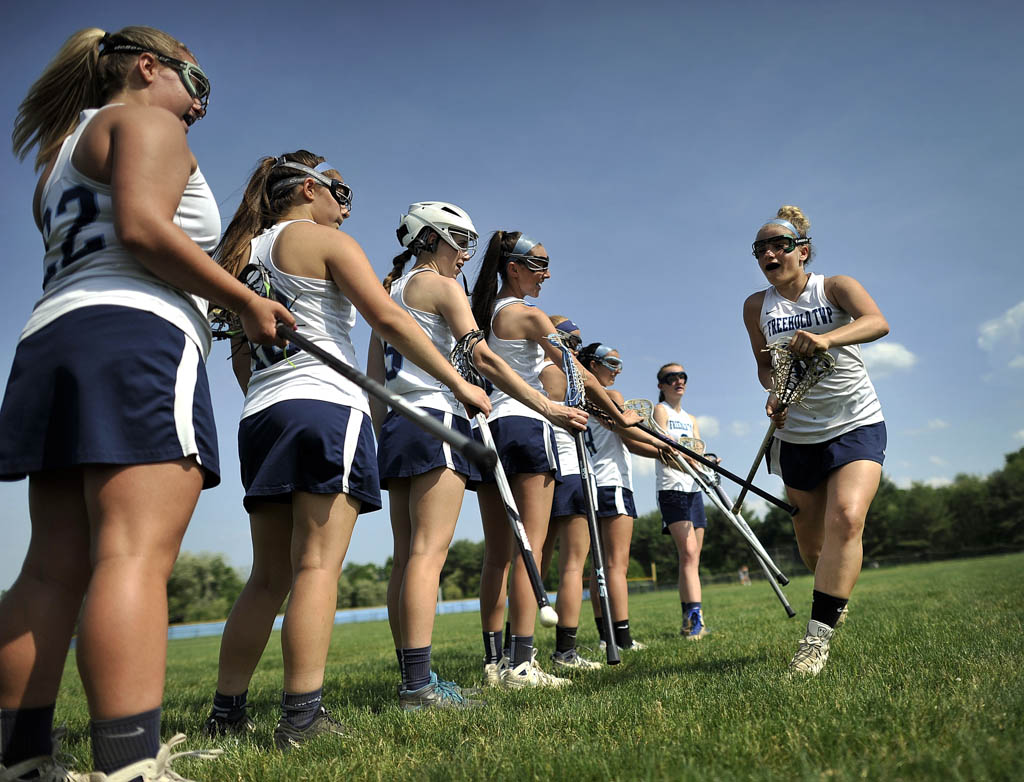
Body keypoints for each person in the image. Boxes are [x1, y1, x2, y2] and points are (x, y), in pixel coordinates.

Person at [0, 26, 293, 781]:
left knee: (48, 567)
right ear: (148, 66)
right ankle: (130, 767)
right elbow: (141, 231)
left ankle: (22, 759)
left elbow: (116, 237)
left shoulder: (55, 156)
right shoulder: (146, 120)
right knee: (130, 555)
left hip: (51, 338)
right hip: (136, 338)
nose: (199, 107)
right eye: (196, 86)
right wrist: (244, 304)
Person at [203, 162, 490, 747]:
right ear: (308, 190)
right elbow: (387, 317)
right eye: (341, 194)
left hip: (261, 414)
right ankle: (302, 718)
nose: (347, 208)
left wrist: (277, 401)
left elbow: (239, 360)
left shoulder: (243, 256)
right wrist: (458, 383)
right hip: (326, 407)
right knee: (316, 566)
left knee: (266, 577)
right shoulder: (325, 240)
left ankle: (227, 714)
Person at [367, 203, 585, 708]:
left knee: (405, 557)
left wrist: (386, 432)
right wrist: (545, 405)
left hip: (400, 426)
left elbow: (378, 381)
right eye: (458, 240)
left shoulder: (388, 295)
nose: (466, 253)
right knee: (428, 554)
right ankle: (419, 687)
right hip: (438, 418)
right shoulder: (442, 288)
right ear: (429, 239)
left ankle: (412, 677)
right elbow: (482, 356)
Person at [469, 231, 639, 688]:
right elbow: (574, 370)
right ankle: (522, 663)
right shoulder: (527, 313)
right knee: (533, 549)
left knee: (499, 556)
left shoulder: (481, 311)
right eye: (539, 264)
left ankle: (494, 661)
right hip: (526, 428)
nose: (546, 273)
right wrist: (619, 412)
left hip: (490, 429)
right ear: (514, 268)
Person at [742, 205, 888, 675]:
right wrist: (773, 395)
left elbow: (877, 322)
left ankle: (815, 641)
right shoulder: (755, 306)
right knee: (812, 547)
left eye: (778, 245)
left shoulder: (834, 287)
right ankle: (833, 591)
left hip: (856, 422)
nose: (768, 253)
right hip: (799, 434)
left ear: (801, 251)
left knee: (846, 518)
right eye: (760, 248)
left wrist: (828, 339)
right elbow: (766, 367)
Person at [576, 343, 666, 653]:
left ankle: (606, 637)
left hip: (588, 484)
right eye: (611, 362)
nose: (618, 369)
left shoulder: (576, 395)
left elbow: (626, 440)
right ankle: (623, 639)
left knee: (597, 566)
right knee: (616, 566)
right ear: (591, 364)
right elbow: (628, 431)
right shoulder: (611, 396)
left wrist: (661, 452)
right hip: (613, 483)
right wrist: (667, 445)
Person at [537, 318, 601, 671]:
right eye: (568, 341)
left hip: (557, 466)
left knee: (542, 561)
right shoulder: (555, 370)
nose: (574, 348)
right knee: (570, 564)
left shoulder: (544, 368)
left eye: (578, 343)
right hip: (565, 467)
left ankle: (514, 652)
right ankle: (563, 653)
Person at [654, 363, 711, 640]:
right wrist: (687, 459)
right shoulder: (660, 411)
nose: (679, 381)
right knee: (688, 555)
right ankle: (697, 619)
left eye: (682, 376)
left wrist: (707, 460)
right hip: (672, 488)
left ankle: (688, 617)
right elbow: (663, 450)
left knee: (692, 558)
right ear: (661, 385)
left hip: (693, 488)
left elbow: (697, 450)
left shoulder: (691, 418)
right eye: (671, 377)